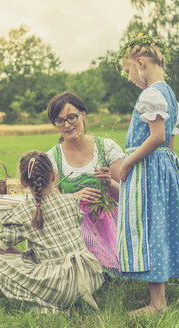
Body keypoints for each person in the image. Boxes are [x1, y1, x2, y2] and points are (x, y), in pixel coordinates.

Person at [115, 33, 179, 315]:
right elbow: (170, 142)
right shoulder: (168, 93)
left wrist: (128, 162)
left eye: (128, 71)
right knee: (159, 227)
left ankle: (157, 303)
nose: (129, 77)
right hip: (161, 169)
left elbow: (157, 137)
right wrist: (165, 169)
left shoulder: (151, 94)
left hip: (147, 169)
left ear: (140, 63)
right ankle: (157, 297)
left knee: (149, 229)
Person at [0, 151, 104, 313]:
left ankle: (47, 308)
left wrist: (25, 254)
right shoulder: (70, 201)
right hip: (90, 275)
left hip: (61, 284)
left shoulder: (23, 212)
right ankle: (83, 297)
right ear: (53, 176)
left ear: (22, 182)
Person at [46, 92, 123, 278]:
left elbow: (125, 195)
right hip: (75, 226)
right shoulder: (51, 158)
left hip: (109, 224)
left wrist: (109, 182)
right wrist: (73, 197)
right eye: (60, 120)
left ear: (83, 115)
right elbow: (51, 203)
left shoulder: (108, 148)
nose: (67, 125)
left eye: (71, 117)